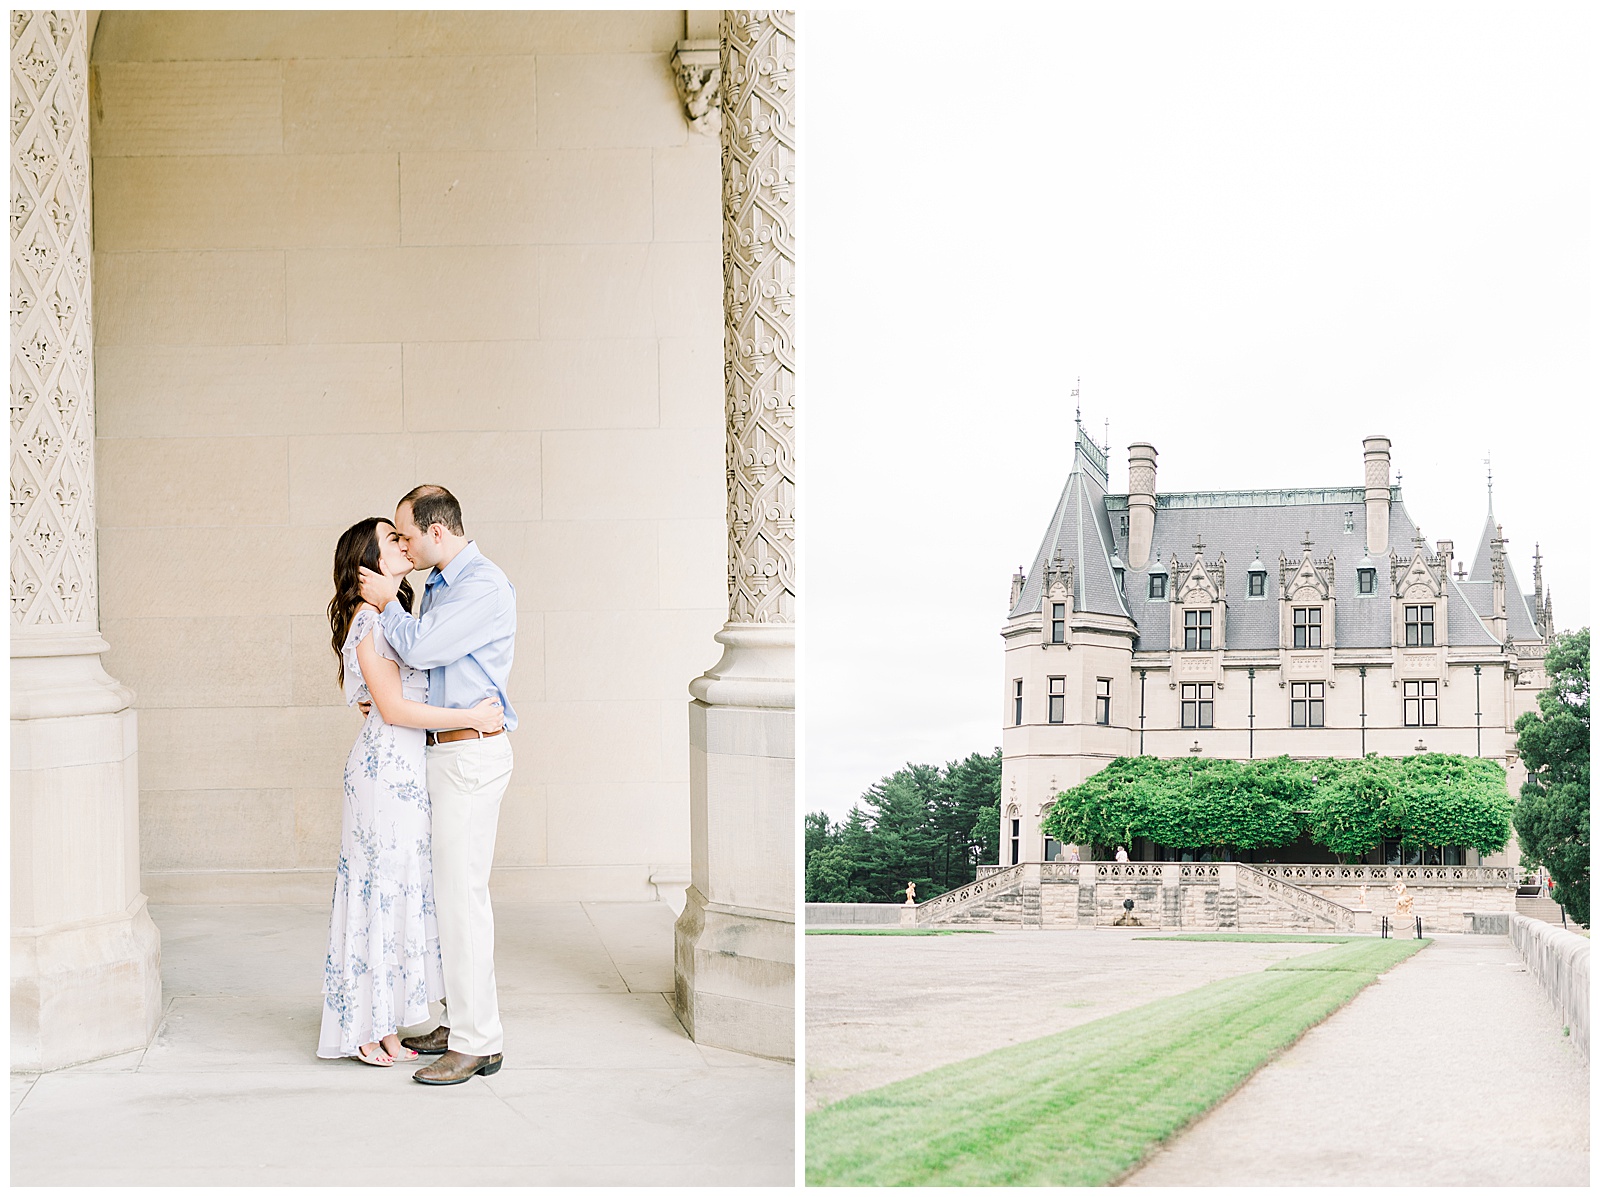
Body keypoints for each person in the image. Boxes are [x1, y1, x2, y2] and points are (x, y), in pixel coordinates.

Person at [319, 517, 504, 1067]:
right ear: (367, 561)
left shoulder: (394, 617)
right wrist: (468, 715)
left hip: (407, 767)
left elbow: (400, 686)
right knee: (377, 893)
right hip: (383, 771)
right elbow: (394, 709)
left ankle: (388, 1020)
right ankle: (363, 1025)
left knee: (401, 892)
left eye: (406, 536)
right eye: (391, 540)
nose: (404, 544)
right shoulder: (367, 621)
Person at [359, 485, 517, 1086]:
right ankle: (462, 1020)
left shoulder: (482, 586)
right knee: (446, 895)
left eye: (405, 535)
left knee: (461, 899)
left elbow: (422, 651)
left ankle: (479, 1041)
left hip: (470, 757)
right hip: (446, 754)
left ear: (437, 532)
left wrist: (383, 603)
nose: (401, 545)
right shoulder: (441, 585)